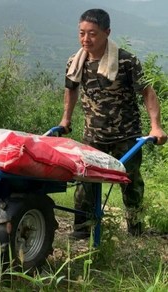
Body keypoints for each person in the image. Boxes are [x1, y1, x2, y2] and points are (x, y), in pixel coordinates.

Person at [59, 8, 167, 238]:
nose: (86, 39)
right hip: (93, 135)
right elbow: (71, 91)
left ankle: (135, 229)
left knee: (131, 183)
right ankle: (81, 229)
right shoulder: (75, 62)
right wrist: (66, 119)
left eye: (93, 34)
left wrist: (155, 126)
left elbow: (148, 93)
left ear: (107, 33)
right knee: (85, 181)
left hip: (126, 135)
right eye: (82, 33)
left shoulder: (126, 61)